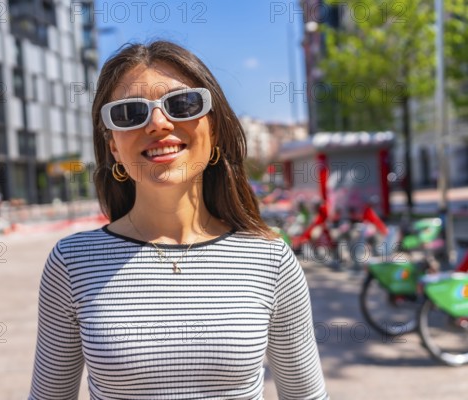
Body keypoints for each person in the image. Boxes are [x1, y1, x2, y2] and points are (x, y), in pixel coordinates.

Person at [29, 40, 328, 399]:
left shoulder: (270, 260)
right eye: (129, 113)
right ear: (113, 147)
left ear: (214, 129)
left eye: (182, 104)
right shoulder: (72, 263)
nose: (158, 123)